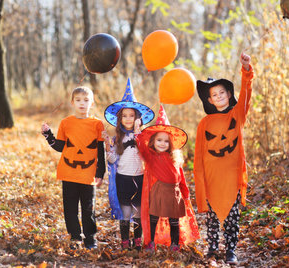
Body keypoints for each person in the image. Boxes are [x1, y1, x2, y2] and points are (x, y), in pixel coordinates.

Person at [193, 52, 254, 265]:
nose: (218, 97)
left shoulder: (236, 116)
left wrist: (246, 72)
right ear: (209, 100)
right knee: (211, 217)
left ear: (229, 94)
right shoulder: (204, 124)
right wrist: (199, 183)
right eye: (214, 95)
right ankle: (212, 247)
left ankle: (230, 250)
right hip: (211, 178)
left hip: (231, 177)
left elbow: (246, 95)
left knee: (232, 216)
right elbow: (199, 157)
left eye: (222, 92)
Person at [41, 86, 106, 250]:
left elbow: (101, 150)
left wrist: (101, 171)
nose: (82, 103)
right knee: (70, 208)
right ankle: (75, 237)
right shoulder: (66, 123)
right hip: (68, 173)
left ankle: (90, 239)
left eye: (86, 100)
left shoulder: (97, 124)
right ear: (72, 102)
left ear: (92, 102)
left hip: (88, 174)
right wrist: (49, 135)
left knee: (88, 208)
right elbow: (60, 147)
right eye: (78, 100)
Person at [135, 105, 199, 252]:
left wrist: (186, 193)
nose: (162, 144)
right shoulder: (151, 157)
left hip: (174, 193)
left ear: (171, 144)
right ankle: (150, 242)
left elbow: (180, 178)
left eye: (166, 141)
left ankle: (175, 244)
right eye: (159, 140)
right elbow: (142, 148)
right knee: (154, 218)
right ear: (153, 141)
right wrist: (137, 131)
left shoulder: (175, 159)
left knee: (174, 220)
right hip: (159, 191)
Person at [103, 78, 155, 251]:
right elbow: (111, 161)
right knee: (125, 211)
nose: (127, 119)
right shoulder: (117, 138)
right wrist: (107, 148)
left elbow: (146, 156)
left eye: (131, 116)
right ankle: (125, 240)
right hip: (123, 178)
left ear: (137, 118)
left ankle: (138, 240)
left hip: (139, 177)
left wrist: (139, 135)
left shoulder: (144, 137)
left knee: (139, 211)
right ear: (119, 118)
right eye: (124, 116)